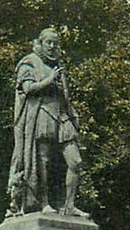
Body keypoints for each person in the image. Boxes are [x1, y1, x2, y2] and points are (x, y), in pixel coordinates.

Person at [7, 28, 88, 218]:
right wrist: (49, 80)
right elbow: (27, 89)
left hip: (62, 115)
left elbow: (65, 96)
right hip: (42, 112)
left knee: (75, 161)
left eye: (55, 43)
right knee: (42, 161)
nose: (52, 47)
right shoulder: (29, 63)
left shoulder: (58, 65)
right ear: (41, 43)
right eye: (48, 43)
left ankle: (69, 205)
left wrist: (73, 114)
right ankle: (43, 203)